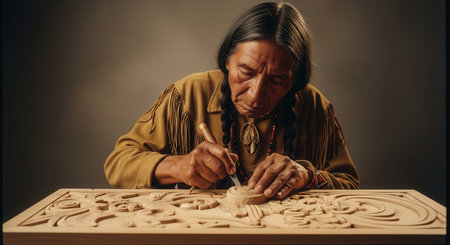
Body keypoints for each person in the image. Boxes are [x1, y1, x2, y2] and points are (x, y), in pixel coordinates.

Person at [104, 2, 359, 200]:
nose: (256, 94)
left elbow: (348, 182)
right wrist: (179, 166)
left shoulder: (314, 106)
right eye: (246, 72)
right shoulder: (186, 95)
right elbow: (118, 163)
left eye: (278, 80)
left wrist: (307, 177)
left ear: (296, 80)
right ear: (227, 60)